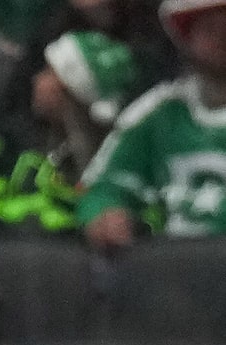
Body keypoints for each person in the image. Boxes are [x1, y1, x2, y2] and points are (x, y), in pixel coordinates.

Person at [81, 0, 226, 251]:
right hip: (170, 276)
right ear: (187, 37)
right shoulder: (158, 111)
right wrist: (105, 216)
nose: (223, 38)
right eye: (210, 28)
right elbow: (103, 187)